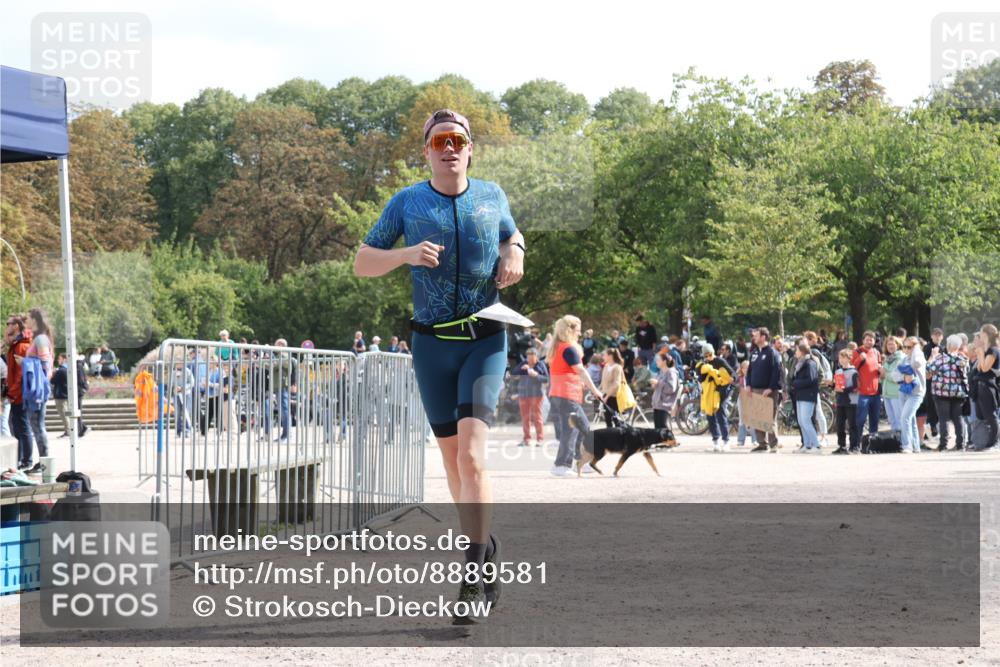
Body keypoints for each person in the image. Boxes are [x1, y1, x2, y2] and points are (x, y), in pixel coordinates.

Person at [353, 108, 525, 621]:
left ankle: (471, 574)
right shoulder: (408, 201)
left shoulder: (491, 195)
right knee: (452, 463)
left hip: (484, 339)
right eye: (439, 141)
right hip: (431, 347)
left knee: (471, 458)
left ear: (470, 149)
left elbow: (511, 234)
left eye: (457, 140)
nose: (449, 148)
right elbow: (363, 262)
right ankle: (485, 549)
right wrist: (405, 255)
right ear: (426, 150)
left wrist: (515, 252)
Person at [547, 316, 604, 475]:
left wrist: (581, 383)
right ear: (569, 330)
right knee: (571, 430)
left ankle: (580, 462)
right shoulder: (568, 348)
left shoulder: (558, 347)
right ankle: (561, 465)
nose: (579, 334)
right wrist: (595, 390)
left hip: (561, 394)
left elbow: (567, 371)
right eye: (578, 331)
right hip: (566, 395)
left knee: (582, 427)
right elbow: (581, 370)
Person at [23, 309, 54, 473]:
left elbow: (45, 363)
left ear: (34, 319)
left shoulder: (40, 339)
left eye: (27, 318)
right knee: (36, 425)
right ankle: (43, 462)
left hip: (38, 389)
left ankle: (44, 462)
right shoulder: (39, 338)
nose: (25, 321)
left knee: (38, 425)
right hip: (37, 387)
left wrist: (24, 361)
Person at [927, 334, 969, 452]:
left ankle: (943, 445)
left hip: (942, 393)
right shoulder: (963, 359)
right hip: (958, 393)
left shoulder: (941, 358)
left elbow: (929, 369)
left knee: (943, 419)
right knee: (958, 418)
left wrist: (933, 356)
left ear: (948, 345)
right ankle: (961, 445)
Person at [744, 327, 782, 452]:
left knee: (769, 418)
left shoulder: (772, 352)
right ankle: (762, 444)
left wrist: (771, 387)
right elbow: (749, 371)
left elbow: (776, 371)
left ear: (763, 337)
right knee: (757, 418)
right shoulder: (754, 352)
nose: (754, 338)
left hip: (768, 391)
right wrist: (748, 384)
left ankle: (773, 444)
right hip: (755, 389)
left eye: (756, 335)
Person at [5, 315, 35, 469]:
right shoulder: (16, 345)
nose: (6, 326)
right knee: (17, 427)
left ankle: (27, 461)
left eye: (8, 323)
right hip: (17, 394)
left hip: (20, 395)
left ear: (16, 326)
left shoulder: (21, 346)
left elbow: (20, 375)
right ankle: (20, 459)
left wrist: (13, 392)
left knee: (23, 428)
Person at [696, 343, 734, 452]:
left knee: (720, 413)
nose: (708, 357)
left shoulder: (720, 361)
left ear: (713, 352)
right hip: (709, 393)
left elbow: (732, 374)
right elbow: (700, 377)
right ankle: (716, 441)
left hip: (722, 391)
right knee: (710, 415)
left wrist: (729, 380)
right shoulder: (704, 363)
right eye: (706, 355)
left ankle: (726, 441)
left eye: (710, 354)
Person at [892, 336, 926, 454]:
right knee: (910, 419)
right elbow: (894, 375)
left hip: (916, 393)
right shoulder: (904, 359)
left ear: (915, 347)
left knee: (905, 417)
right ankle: (915, 446)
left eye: (909, 347)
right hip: (904, 391)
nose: (906, 349)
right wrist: (904, 377)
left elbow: (916, 363)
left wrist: (916, 349)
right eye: (904, 347)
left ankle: (907, 445)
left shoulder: (919, 356)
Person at [511, 349, 548, 447]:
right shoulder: (524, 364)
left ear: (536, 357)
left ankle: (540, 439)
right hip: (523, 394)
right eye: (528, 357)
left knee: (537, 417)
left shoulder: (540, 365)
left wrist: (536, 375)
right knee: (525, 418)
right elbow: (514, 373)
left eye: (532, 357)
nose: (529, 360)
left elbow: (546, 379)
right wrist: (521, 370)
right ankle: (526, 439)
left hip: (536, 394)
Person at [971, 324, 999, 449]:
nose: (980, 335)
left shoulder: (993, 350)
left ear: (986, 334)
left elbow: (985, 368)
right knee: (982, 416)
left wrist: (981, 354)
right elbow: (979, 368)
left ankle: (994, 442)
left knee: (990, 416)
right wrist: (980, 354)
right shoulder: (987, 350)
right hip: (980, 386)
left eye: (981, 333)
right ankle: (983, 441)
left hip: (988, 386)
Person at [791, 341, 821, 453]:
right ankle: (807, 445)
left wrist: (796, 383)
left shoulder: (810, 363)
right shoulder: (800, 363)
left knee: (806, 420)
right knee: (801, 421)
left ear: (802, 352)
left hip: (808, 395)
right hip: (800, 395)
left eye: (797, 350)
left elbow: (811, 379)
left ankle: (816, 445)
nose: (795, 352)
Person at [852, 331, 882, 443]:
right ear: (863, 340)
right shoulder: (857, 352)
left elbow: (879, 368)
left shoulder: (876, 352)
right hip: (862, 393)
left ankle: (872, 444)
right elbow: (851, 368)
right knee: (860, 420)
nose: (869, 342)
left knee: (875, 420)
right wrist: (859, 359)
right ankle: (856, 443)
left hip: (876, 393)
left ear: (874, 341)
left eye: (871, 340)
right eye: (867, 339)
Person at [832, 349, 861, 454]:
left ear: (849, 359)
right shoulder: (838, 371)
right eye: (840, 357)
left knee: (852, 424)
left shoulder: (854, 372)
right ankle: (842, 446)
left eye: (843, 357)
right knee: (839, 425)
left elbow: (856, 387)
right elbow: (837, 386)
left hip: (851, 401)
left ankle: (854, 446)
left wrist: (843, 390)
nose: (841, 360)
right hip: (840, 401)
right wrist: (832, 385)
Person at [649, 353, 679, 446]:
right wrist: (654, 385)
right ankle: (661, 442)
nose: (656, 362)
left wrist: (658, 383)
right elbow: (658, 386)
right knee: (657, 426)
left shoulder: (671, 372)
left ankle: (672, 441)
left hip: (665, 403)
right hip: (657, 402)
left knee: (663, 425)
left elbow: (671, 388)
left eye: (658, 360)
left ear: (664, 361)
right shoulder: (661, 372)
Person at [922, 328, 945, 438]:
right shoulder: (927, 348)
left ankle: (936, 428)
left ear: (942, 337)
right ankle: (931, 428)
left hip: (941, 380)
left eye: (939, 335)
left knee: (939, 405)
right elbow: (926, 364)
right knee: (930, 404)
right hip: (930, 380)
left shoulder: (943, 348)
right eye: (935, 335)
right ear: (931, 336)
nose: (937, 337)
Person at [881, 336, 904, 434]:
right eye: (888, 344)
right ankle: (895, 439)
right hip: (887, 393)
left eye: (892, 344)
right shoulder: (889, 358)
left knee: (899, 420)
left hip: (896, 393)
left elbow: (897, 377)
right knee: (892, 420)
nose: (890, 346)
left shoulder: (900, 358)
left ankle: (901, 440)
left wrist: (884, 374)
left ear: (898, 345)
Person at [599, 347, 626, 428]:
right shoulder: (606, 366)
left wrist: (607, 397)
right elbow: (603, 382)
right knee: (607, 420)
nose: (603, 357)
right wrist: (598, 391)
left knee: (616, 420)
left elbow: (616, 384)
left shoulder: (617, 367)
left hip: (614, 397)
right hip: (605, 396)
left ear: (610, 356)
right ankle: (610, 435)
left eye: (605, 355)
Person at [734, 360, 758, 447]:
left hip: (751, 399)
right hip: (741, 399)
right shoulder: (740, 378)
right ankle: (741, 440)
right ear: (742, 369)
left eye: (748, 368)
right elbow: (735, 384)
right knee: (742, 419)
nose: (746, 369)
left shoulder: (754, 377)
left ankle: (755, 440)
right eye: (744, 368)